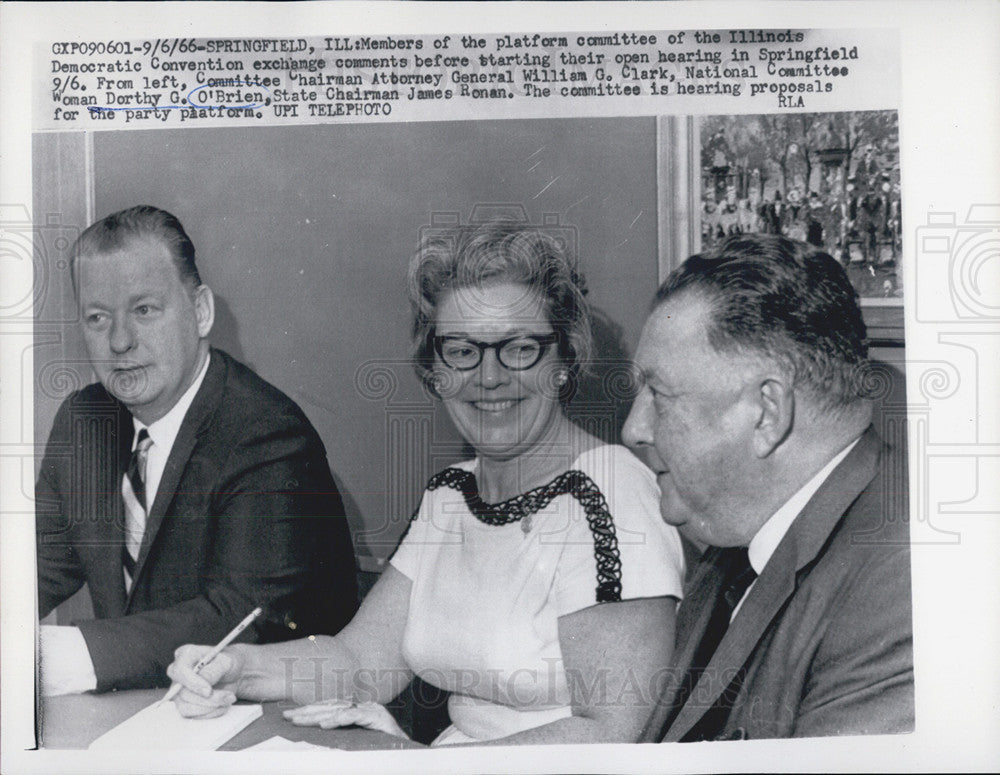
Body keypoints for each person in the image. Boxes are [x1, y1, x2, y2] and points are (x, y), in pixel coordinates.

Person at [167, 222, 685, 745]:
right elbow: (361, 662)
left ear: (564, 360)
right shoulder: (452, 494)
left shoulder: (612, 495)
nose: (489, 376)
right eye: (461, 350)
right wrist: (236, 667)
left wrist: (425, 766)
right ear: (434, 368)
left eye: (521, 348)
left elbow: (612, 733)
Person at [36, 206, 359, 695]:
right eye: (98, 317)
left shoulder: (266, 434)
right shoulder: (85, 421)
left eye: (144, 310)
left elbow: (243, 616)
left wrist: (57, 656)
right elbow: (36, 566)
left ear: (201, 311)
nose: (119, 341)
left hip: (267, 718)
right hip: (139, 711)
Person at [623, 233, 913, 742]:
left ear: (767, 412)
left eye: (658, 394)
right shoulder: (735, 545)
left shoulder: (903, 587)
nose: (633, 429)